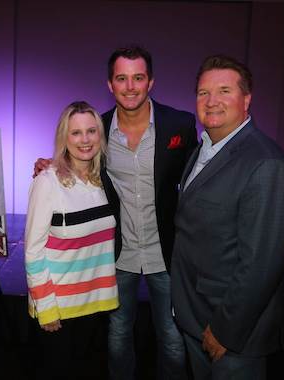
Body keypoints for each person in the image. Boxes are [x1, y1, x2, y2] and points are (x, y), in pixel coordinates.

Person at [35, 46, 197, 380]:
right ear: (110, 85)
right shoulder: (99, 128)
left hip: (165, 252)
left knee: (172, 340)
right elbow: (78, 155)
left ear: (150, 81)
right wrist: (50, 163)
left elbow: (196, 176)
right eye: (121, 78)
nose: (130, 86)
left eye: (138, 77)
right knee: (118, 337)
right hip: (115, 255)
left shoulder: (179, 124)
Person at [170, 54, 284, 379]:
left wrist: (226, 329)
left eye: (224, 90)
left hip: (230, 334)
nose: (212, 101)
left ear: (247, 99)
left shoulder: (265, 163)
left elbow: (262, 265)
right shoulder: (203, 149)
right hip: (195, 317)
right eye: (203, 93)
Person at [25, 101, 119, 379]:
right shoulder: (47, 182)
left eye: (91, 131)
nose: (85, 139)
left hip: (96, 305)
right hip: (58, 310)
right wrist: (46, 308)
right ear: (64, 137)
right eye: (76, 133)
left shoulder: (106, 181)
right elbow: (32, 251)